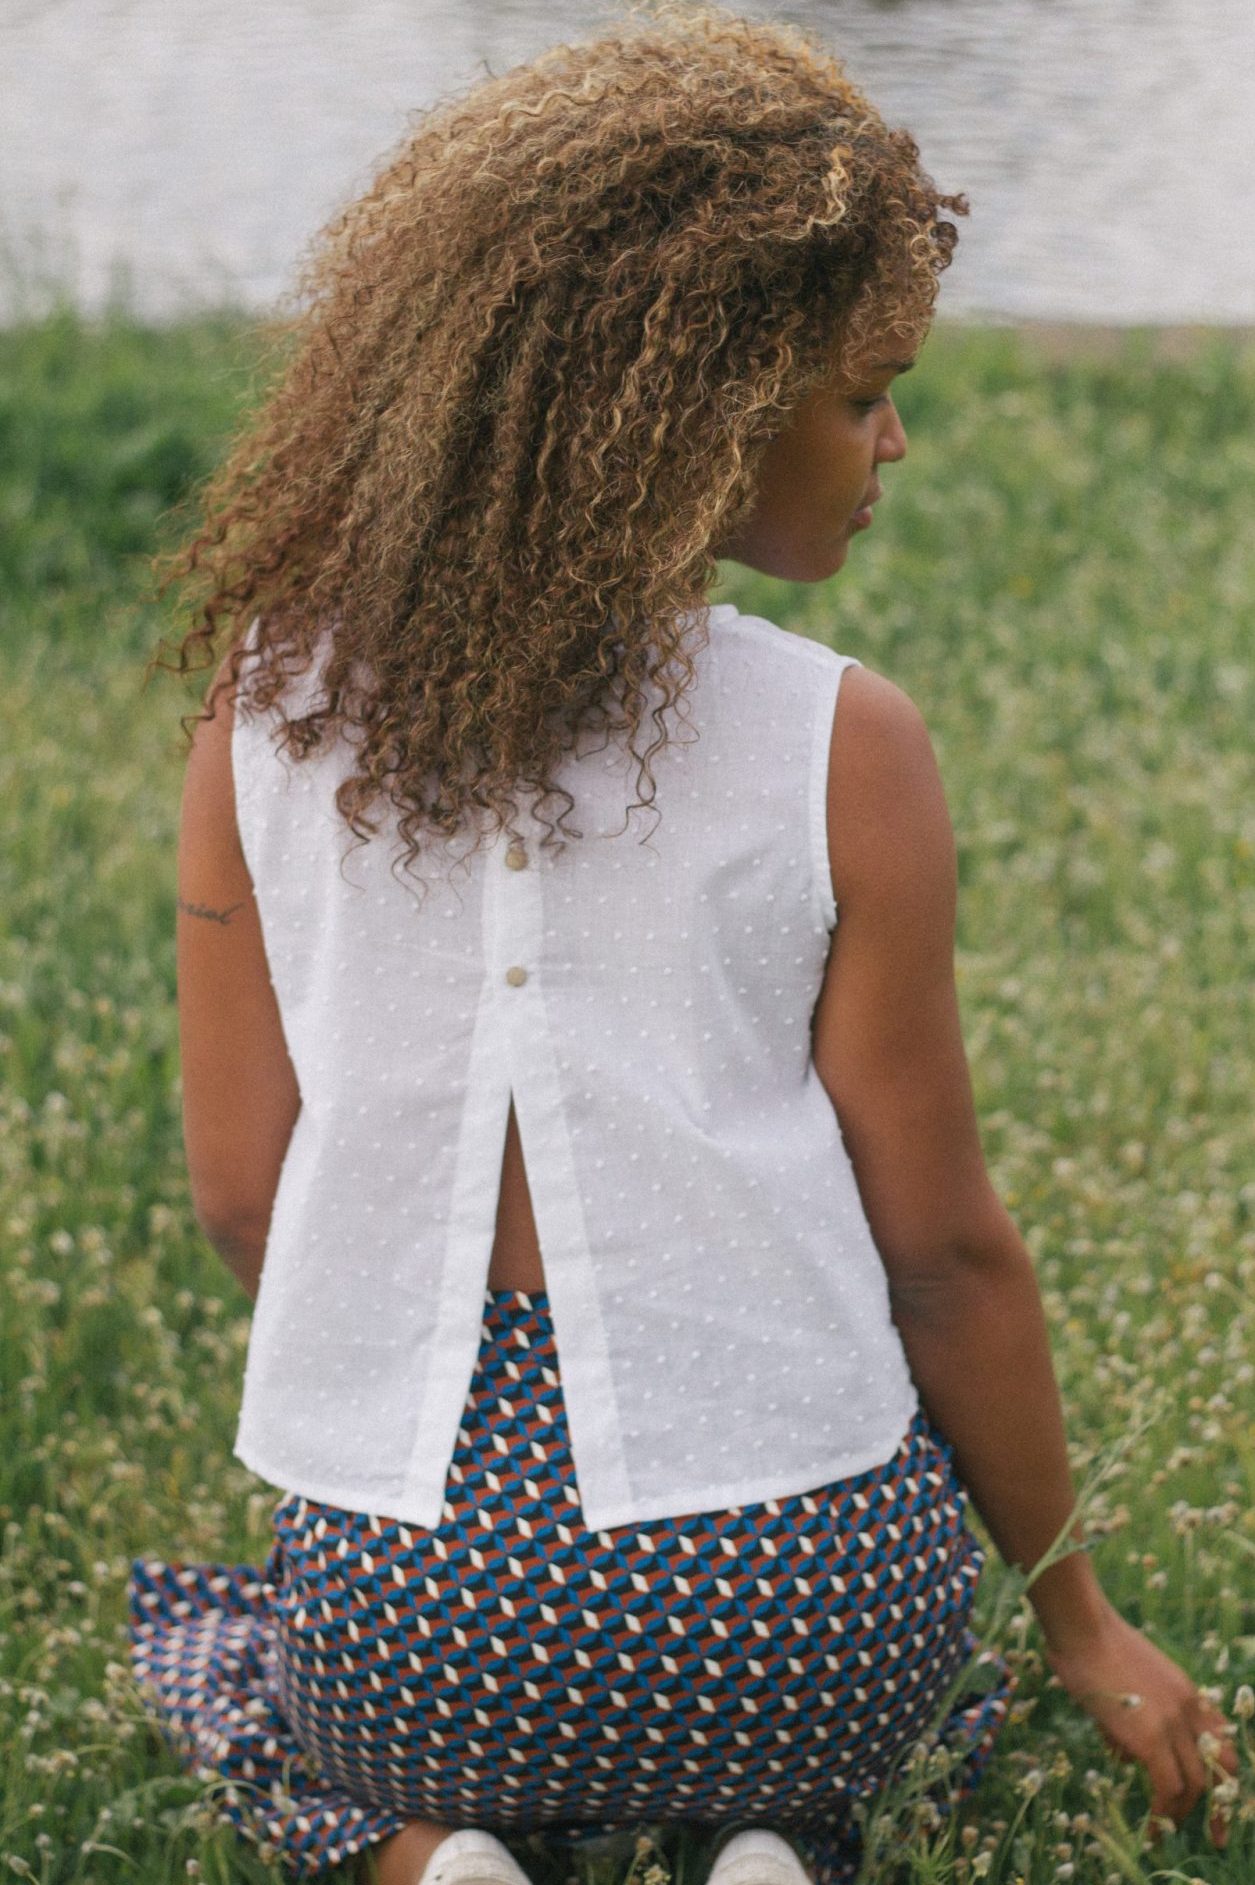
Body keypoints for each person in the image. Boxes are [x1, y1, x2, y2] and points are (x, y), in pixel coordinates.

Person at [126, 6, 1238, 1884]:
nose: (895, 437)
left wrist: (466, 1475)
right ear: (695, 416)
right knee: (871, 1698)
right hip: (807, 1613)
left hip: (424, 1617)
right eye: (860, 389)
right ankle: (779, 1835)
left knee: (246, 1672)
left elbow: (247, 1200)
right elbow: (947, 1256)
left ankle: (430, 1855)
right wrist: (1081, 1626)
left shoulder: (264, 712)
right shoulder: (841, 743)